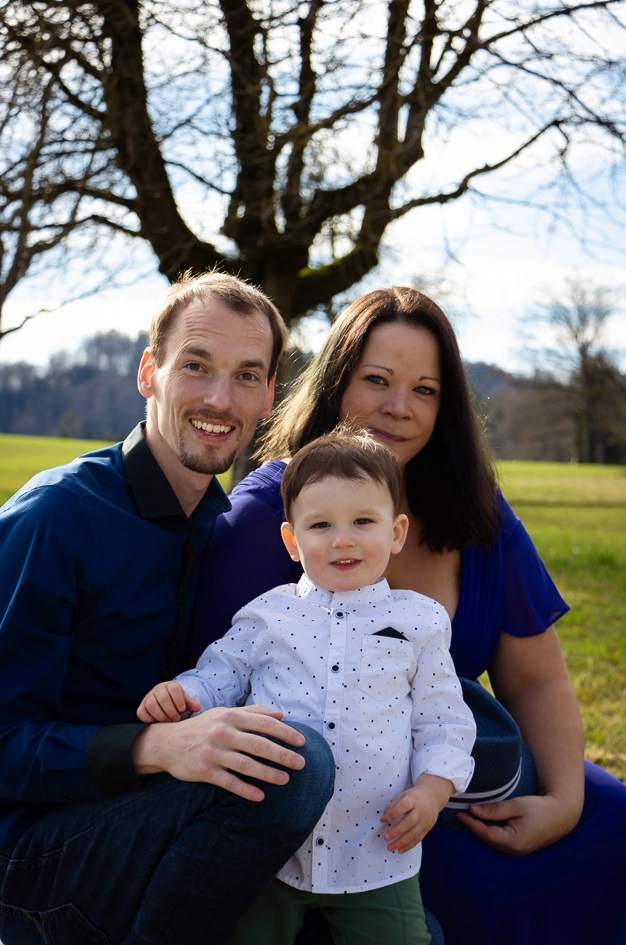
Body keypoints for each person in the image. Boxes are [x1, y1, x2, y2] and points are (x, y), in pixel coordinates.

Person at [192, 287, 626, 945]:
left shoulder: (476, 510)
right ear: (339, 384)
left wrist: (564, 801)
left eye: (424, 390)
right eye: (378, 380)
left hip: (463, 766)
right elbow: (217, 684)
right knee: (478, 892)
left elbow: (536, 677)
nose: (399, 407)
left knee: (616, 820)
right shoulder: (270, 516)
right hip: (360, 813)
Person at [0, 272, 335, 945]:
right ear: (149, 372)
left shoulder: (228, 526)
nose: (219, 398)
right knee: (298, 767)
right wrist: (153, 746)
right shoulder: (56, 517)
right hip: (30, 854)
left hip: (162, 826)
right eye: (196, 366)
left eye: (246, 375)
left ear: (270, 395)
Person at [140, 429, 476, 945]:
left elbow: (444, 721)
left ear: (397, 532)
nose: (343, 539)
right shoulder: (268, 614)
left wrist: (433, 792)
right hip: (273, 849)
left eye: (364, 521)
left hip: (377, 852)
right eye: (321, 525)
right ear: (292, 541)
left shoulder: (419, 621)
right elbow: (219, 675)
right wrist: (183, 697)